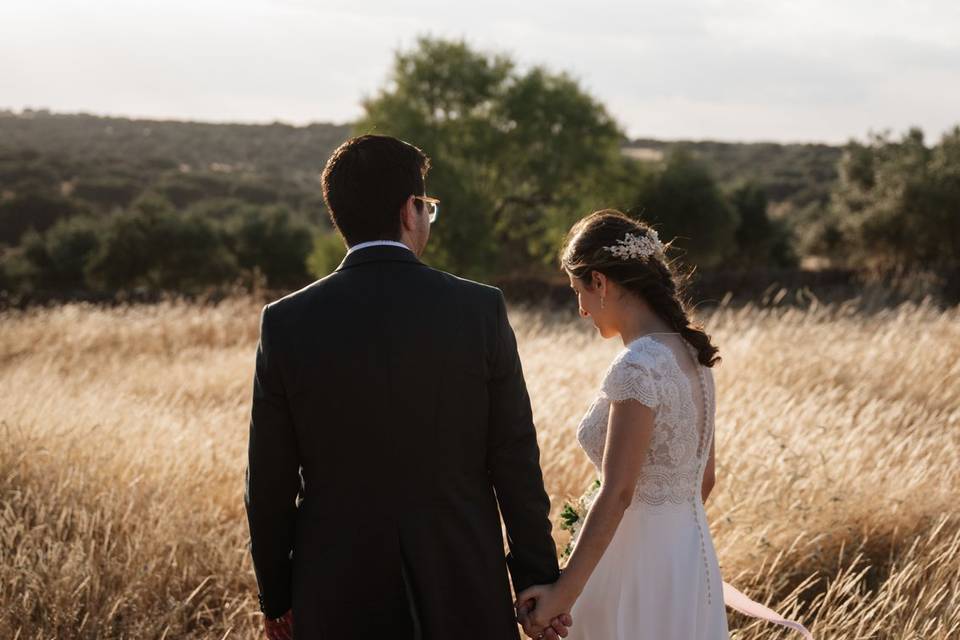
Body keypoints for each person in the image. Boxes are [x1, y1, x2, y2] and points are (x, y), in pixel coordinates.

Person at [243, 134, 572, 639]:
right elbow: (514, 457)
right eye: (428, 208)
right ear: (409, 210)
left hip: (336, 590)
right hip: (463, 580)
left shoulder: (286, 322)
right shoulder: (479, 310)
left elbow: (269, 482)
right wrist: (537, 579)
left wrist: (278, 595)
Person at [515, 209, 731, 639]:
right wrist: (667, 542)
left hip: (632, 567)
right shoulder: (692, 358)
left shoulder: (638, 366)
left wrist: (563, 595)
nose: (581, 310)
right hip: (688, 560)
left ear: (600, 282)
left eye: (578, 291)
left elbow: (618, 491)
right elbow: (703, 479)